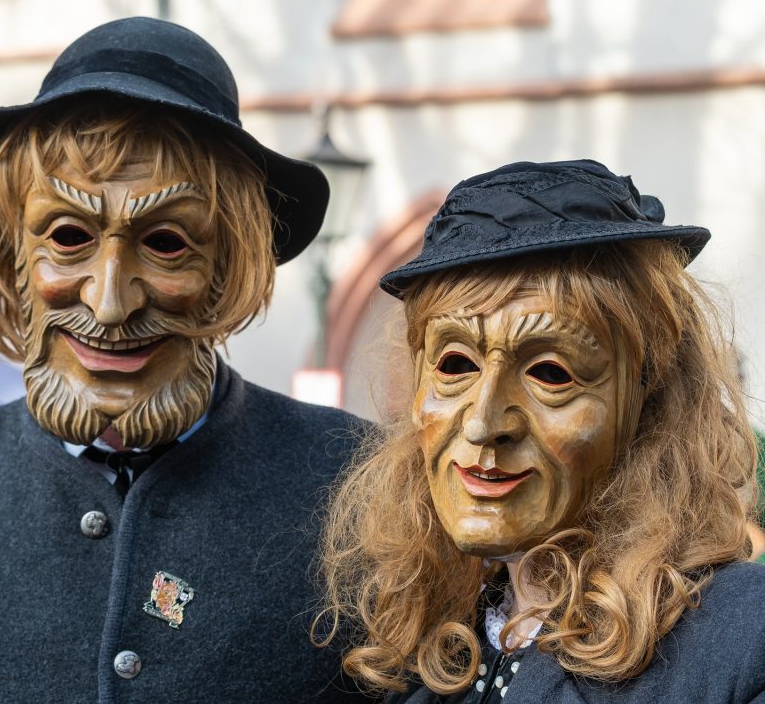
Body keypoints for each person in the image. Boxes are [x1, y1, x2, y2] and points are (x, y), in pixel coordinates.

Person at [0, 17, 371, 703]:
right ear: (10, 255)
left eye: (165, 243)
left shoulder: (362, 498)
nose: (108, 304)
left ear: (229, 265)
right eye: (69, 236)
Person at [316, 160, 765, 702]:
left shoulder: (739, 642)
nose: (483, 423)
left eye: (551, 373)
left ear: (648, 402)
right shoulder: (418, 646)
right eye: (455, 365)